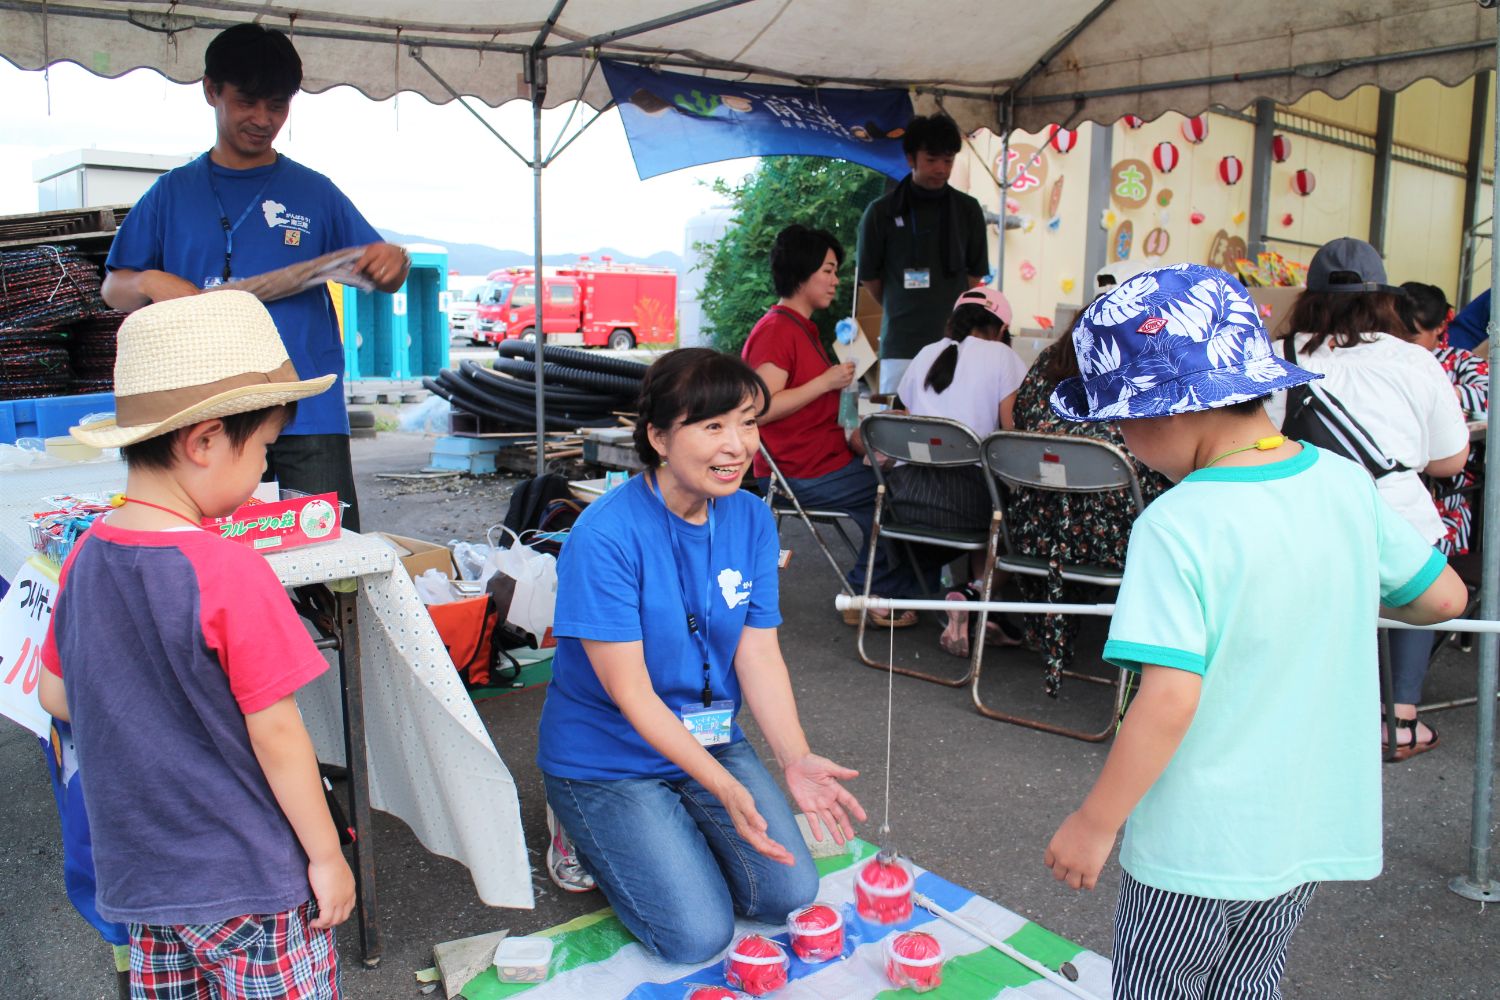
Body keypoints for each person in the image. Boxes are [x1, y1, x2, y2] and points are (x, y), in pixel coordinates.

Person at [1042, 263, 1467, 1000]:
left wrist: (1094, 820)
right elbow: (1445, 599)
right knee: (1247, 985)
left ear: (1168, 408)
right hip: (1303, 830)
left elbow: (1170, 698)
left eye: (1121, 419)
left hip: (1195, 845)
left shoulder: (1175, 525)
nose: (1123, 438)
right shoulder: (1341, 484)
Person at [38, 290, 354, 1000]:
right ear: (205, 440)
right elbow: (277, 733)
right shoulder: (228, 568)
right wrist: (328, 856)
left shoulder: (87, 552)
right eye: (264, 448)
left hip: (144, 885)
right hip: (249, 884)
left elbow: (54, 694)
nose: (261, 471)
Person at [536, 348, 866, 964]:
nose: (737, 445)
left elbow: (758, 652)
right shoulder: (605, 536)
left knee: (789, 893)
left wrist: (794, 759)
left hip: (709, 736)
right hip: (608, 755)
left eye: (747, 423)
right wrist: (724, 787)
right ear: (659, 437)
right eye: (713, 426)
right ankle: (576, 818)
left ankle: (670, 825)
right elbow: (631, 694)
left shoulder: (749, 517)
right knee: (695, 935)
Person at [100, 22, 411, 532]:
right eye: (247, 102)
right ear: (211, 91)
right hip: (202, 419)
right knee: (201, 560)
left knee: (332, 567)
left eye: (277, 106)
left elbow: (385, 272)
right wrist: (149, 282)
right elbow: (114, 289)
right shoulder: (171, 194)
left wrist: (393, 264)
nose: (262, 119)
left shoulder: (315, 192)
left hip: (307, 418)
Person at [1265, 239, 1469, 758]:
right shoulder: (1416, 361)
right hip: (1391, 534)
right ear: (1384, 298)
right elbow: (1449, 461)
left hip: (1302, 532)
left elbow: (1255, 447)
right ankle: (1398, 719)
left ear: (1308, 296)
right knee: (1419, 549)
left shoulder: (1277, 356)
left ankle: (1303, 709)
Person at [743, 224, 917, 627]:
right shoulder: (776, 330)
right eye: (828, 270)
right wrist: (825, 382)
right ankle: (865, 591)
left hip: (821, 460)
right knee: (901, 492)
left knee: (902, 486)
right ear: (802, 272)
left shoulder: (801, 328)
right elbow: (760, 408)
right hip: (797, 470)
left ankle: (883, 587)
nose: (836, 280)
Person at [1004, 328, 1169, 694]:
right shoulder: (1133, 386)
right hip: (1112, 547)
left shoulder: (1047, 364)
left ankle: (1049, 634)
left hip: (1032, 537)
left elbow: (1014, 417)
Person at [888, 287, 1028, 656]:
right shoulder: (1003, 356)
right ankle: (975, 594)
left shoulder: (923, 354)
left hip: (905, 499)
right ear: (1001, 330)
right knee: (1015, 515)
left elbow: (897, 418)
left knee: (991, 500)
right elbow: (1013, 434)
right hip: (967, 503)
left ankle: (983, 611)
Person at [857, 113, 989, 394]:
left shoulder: (968, 210)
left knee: (948, 427)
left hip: (953, 343)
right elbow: (870, 278)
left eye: (948, 160)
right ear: (910, 158)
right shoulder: (881, 212)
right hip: (900, 344)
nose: (941, 168)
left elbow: (975, 274)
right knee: (897, 427)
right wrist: (900, 301)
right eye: (931, 160)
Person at [1400, 281, 1488, 557]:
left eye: (1412, 338)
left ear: (1439, 328)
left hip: (1447, 487)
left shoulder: (1461, 362)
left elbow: (1488, 395)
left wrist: (1449, 394)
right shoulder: (1385, 359)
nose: (1402, 344)